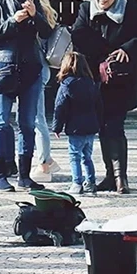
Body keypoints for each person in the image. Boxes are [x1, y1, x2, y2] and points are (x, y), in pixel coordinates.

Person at [70, 0, 137, 194]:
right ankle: (110, 176)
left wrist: (127, 48)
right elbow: (78, 35)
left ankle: (121, 178)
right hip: (95, 78)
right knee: (102, 126)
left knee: (115, 126)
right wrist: (104, 50)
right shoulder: (86, 9)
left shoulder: (129, 9)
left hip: (120, 77)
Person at [0, 0, 53, 192]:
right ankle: (0, 175)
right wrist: (13, 21)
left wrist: (35, 15)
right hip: (3, 69)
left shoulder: (32, 1)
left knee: (27, 124)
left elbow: (47, 32)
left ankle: (24, 176)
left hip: (30, 69)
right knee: (0, 122)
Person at [50, 51, 102, 195]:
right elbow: (99, 105)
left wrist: (57, 127)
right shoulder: (91, 83)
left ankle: (77, 183)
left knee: (74, 156)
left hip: (75, 127)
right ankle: (91, 182)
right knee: (87, 157)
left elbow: (60, 107)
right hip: (91, 126)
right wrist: (99, 123)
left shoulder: (67, 84)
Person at [27, 0, 60, 183]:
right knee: (35, 117)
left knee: (37, 118)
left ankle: (44, 164)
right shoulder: (44, 10)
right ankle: (46, 160)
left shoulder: (36, 11)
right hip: (41, 68)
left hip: (37, 68)